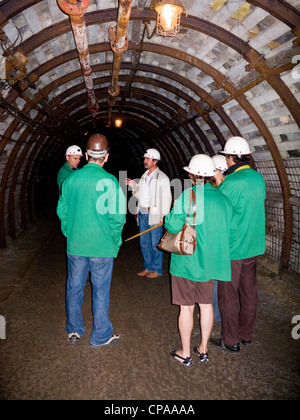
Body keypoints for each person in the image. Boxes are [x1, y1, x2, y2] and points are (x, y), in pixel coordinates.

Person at [164, 154, 236, 366]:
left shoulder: (188, 196)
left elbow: (172, 226)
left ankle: (185, 353)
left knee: (186, 308)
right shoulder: (224, 199)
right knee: (206, 305)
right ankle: (203, 348)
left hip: (187, 262)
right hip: (211, 263)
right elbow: (232, 233)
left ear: (192, 174)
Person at [57, 134, 126, 346]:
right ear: (106, 157)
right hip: (102, 247)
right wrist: (114, 241)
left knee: (74, 287)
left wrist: (70, 232)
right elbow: (118, 217)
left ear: (86, 155)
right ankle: (100, 335)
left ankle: (74, 329)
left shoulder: (71, 179)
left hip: (76, 245)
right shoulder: (111, 182)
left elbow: (62, 211)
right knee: (101, 291)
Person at [210, 136, 266, 353]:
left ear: (231, 157)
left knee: (229, 296)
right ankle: (246, 334)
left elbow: (219, 209)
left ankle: (230, 340)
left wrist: (218, 182)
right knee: (249, 292)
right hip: (253, 246)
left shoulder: (231, 183)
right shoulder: (258, 178)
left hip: (233, 249)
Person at [125, 148, 172, 279]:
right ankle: (148, 267)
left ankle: (157, 269)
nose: (144, 161)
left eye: (147, 159)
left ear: (155, 161)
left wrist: (163, 217)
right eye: (144, 158)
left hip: (154, 215)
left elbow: (167, 199)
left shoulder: (162, 178)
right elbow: (141, 195)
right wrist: (134, 186)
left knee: (155, 243)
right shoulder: (145, 176)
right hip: (143, 213)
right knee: (144, 242)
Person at [211, 154, 228, 322]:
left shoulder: (222, 190)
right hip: (226, 241)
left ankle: (214, 313)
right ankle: (216, 313)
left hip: (217, 242)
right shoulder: (228, 187)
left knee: (214, 280)